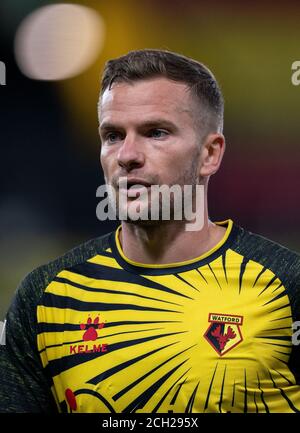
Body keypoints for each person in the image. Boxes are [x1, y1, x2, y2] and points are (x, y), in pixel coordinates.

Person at [0, 49, 300, 414]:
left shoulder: (285, 285)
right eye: (112, 135)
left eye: (155, 132)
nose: (127, 155)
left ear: (210, 154)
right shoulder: (45, 298)